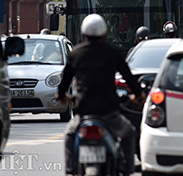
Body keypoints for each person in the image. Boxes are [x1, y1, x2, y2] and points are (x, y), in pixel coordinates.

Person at [57, 14, 144, 176]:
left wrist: (62, 95)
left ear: (84, 34)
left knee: (69, 134)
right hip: (109, 111)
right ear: (105, 34)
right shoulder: (112, 53)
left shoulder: (76, 53)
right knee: (129, 133)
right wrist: (139, 95)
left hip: (84, 111)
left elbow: (65, 81)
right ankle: (127, 169)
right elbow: (129, 77)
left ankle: (71, 169)